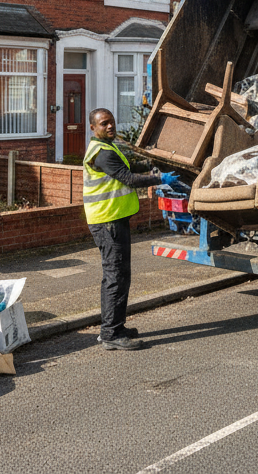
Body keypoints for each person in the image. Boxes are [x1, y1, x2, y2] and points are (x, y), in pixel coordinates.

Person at [83, 107, 180, 350]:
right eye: (104, 123)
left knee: (121, 275)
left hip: (114, 219)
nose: (110, 126)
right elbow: (129, 178)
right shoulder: (102, 153)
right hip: (107, 222)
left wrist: (150, 163)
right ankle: (110, 334)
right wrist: (160, 179)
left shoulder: (109, 147)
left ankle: (116, 325)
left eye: (112, 122)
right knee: (115, 276)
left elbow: (129, 166)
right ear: (93, 128)